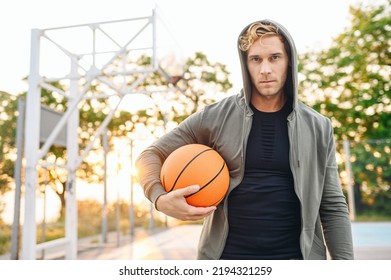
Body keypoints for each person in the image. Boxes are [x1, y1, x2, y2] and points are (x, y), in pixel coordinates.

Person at [136, 19, 354, 260]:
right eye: (256, 59)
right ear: (245, 64)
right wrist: (159, 197)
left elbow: (333, 206)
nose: (265, 69)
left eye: (274, 57)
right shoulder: (215, 117)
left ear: (289, 60)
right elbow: (150, 154)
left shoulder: (318, 126)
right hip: (228, 259)